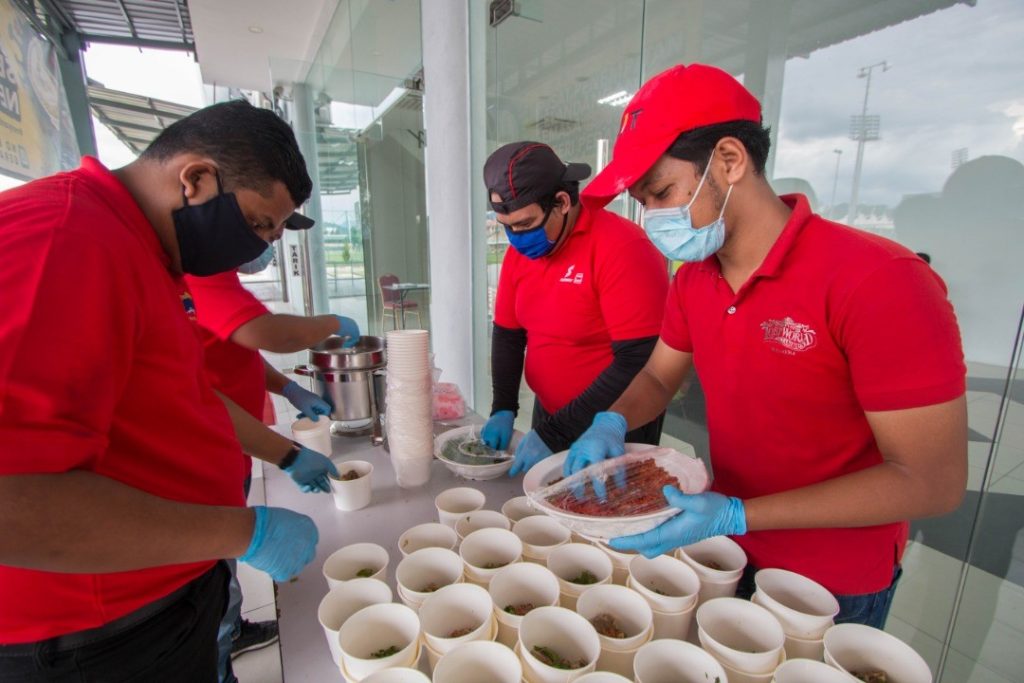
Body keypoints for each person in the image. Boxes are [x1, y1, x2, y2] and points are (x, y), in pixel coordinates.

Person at [567, 64, 967, 628]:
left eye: (661, 193)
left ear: (730, 161)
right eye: (643, 201)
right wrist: (609, 421)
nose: (653, 218)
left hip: (829, 583)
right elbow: (659, 377)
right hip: (725, 552)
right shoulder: (693, 280)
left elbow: (932, 481)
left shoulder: (878, 281)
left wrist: (736, 513)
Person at [0, 100, 325, 680]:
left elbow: (184, 395)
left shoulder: (140, 249)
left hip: (163, 594)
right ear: (197, 178)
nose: (258, 248)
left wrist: (288, 452)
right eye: (257, 223)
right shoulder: (64, 241)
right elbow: (12, 498)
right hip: (91, 640)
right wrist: (244, 531)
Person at [185, 259, 359, 679]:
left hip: (231, 451)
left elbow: (233, 348)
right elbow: (266, 331)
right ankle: (219, 647)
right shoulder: (195, 270)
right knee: (200, 585)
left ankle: (231, 628)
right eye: (267, 224)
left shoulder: (213, 273)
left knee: (219, 572)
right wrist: (330, 322)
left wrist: (289, 388)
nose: (273, 240)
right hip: (194, 460)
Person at [479, 142, 669, 475]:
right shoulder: (519, 256)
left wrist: (557, 432)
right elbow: (508, 335)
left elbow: (641, 359)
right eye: (506, 226)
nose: (515, 239)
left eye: (524, 224)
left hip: (613, 424)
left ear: (562, 202)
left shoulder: (623, 248)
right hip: (550, 414)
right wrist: (503, 405)